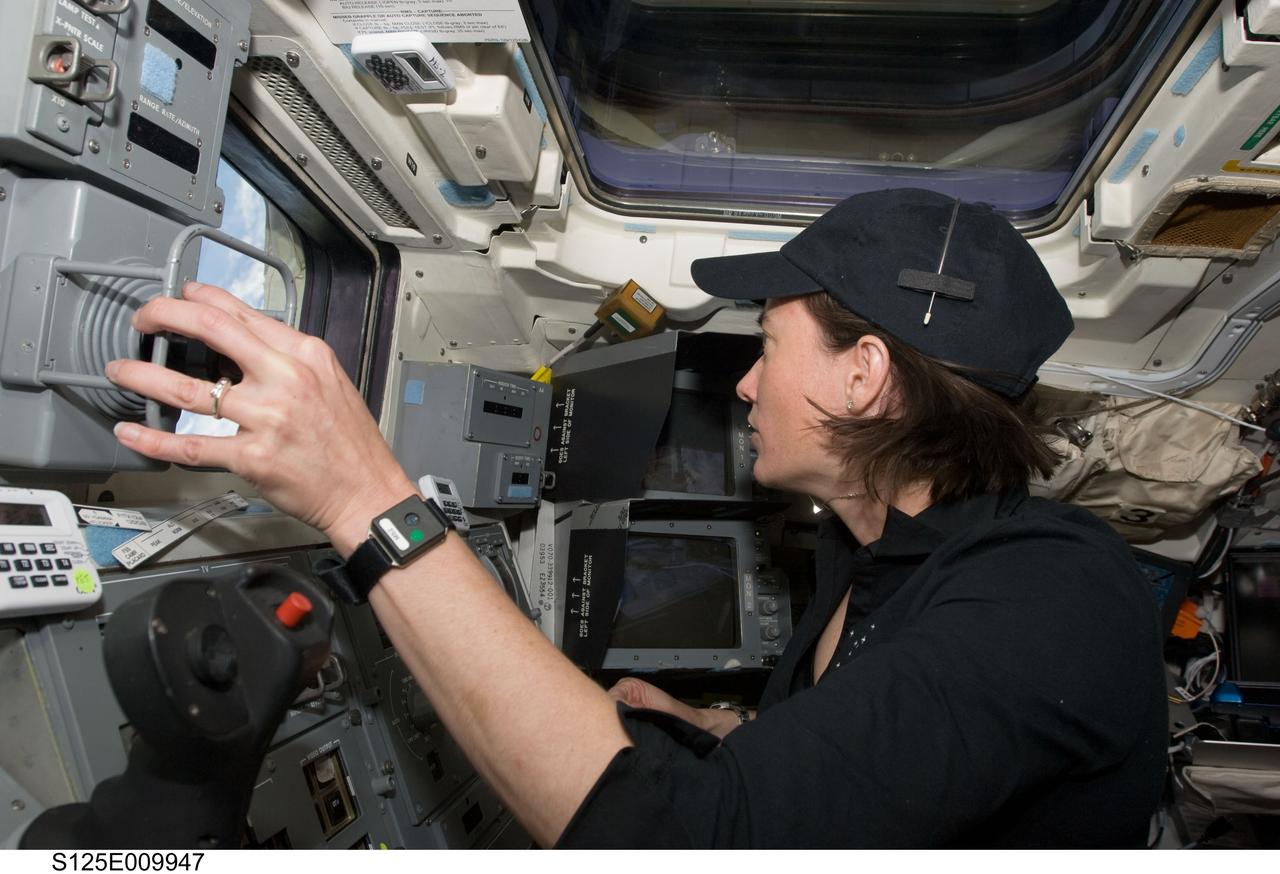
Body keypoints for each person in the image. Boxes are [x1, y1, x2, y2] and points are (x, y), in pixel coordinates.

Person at [105, 188, 1167, 848]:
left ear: (862, 374)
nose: (746, 386)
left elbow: (691, 840)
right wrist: (730, 734)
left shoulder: (1046, 595)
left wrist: (361, 497)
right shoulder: (869, 538)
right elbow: (893, 765)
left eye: (768, 346)